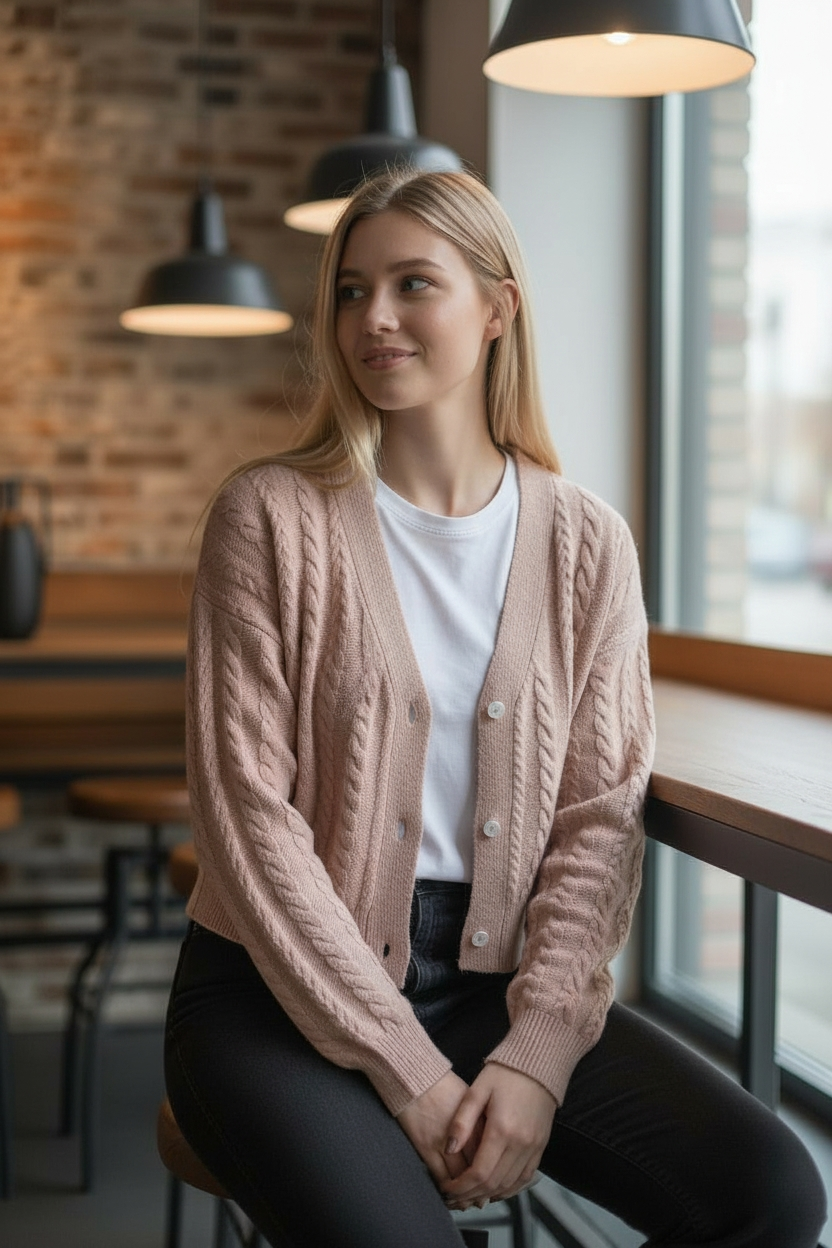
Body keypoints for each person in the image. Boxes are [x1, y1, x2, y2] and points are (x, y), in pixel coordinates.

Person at [164, 167, 827, 1248]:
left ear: (497, 308)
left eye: (412, 284)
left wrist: (537, 1056)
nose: (372, 318)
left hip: (494, 988)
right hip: (274, 993)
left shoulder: (586, 541)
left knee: (774, 1193)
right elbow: (248, 823)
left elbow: (597, 822)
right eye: (350, 290)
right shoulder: (269, 516)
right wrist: (409, 1071)